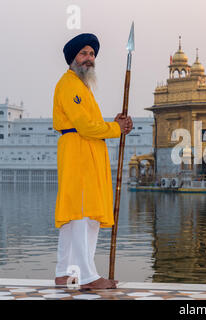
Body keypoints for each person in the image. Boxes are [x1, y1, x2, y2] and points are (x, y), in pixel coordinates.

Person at [53, 33, 133, 289]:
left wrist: (116, 123)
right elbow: (85, 126)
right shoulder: (69, 85)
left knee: (75, 216)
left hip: (86, 151)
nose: (89, 59)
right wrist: (114, 128)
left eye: (91, 54)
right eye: (83, 53)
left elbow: (91, 125)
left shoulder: (82, 87)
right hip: (78, 152)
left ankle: (64, 273)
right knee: (81, 214)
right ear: (73, 58)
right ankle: (87, 276)